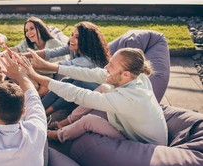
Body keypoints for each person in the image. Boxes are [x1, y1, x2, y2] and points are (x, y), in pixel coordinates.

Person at [22, 47, 168, 145]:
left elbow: (79, 95)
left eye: (111, 66)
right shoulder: (138, 76)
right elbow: (91, 73)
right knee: (104, 87)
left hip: (143, 145)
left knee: (89, 120)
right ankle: (65, 122)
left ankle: (55, 135)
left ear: (126, 74)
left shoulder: (129, 99)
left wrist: (35, 76)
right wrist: (47, 66)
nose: (106, 68)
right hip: (136, 126)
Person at [35, 21, 111, 116]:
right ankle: (38, 108)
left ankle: (45, 112)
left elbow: (62, 65)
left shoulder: (88, 60)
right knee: (66, 80)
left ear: (86, 41)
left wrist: (33, 66)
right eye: (72, 35)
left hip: (98, 89)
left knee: (76, 84)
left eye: (77, 37)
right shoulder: (74, 48)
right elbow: (51, 52)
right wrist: (24, 55)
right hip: (80, 84)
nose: (71, 39)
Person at [11, 16, 68, 96]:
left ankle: (29, 103)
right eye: (26, 30)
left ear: (40, 28)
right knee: (31, 85)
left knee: (42, 90)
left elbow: (62, 65)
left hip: (48, 77)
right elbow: (16, 49)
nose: (28, 33)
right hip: (32, 75)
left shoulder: (54, 43)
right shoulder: (26, 44)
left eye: (32, 28)